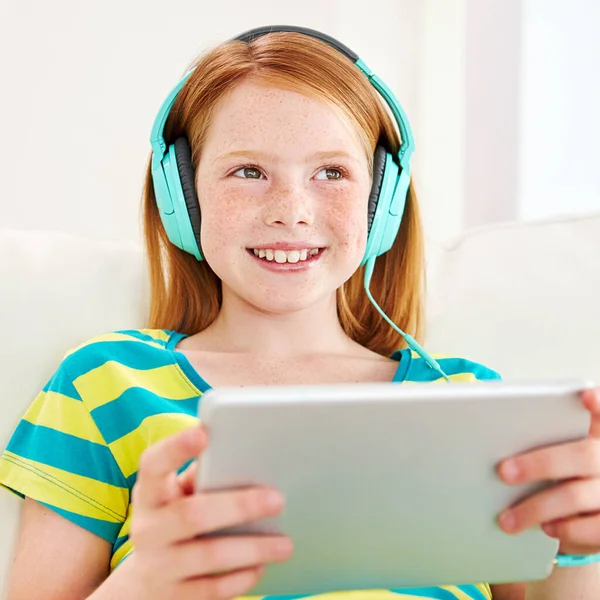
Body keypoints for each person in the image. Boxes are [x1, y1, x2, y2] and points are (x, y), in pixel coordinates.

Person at [1, 25, 599, 600]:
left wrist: (579, 546)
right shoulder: (104, 382)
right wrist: (145, 585)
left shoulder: (470, 400)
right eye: (249, 171)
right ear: (182, 197)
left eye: (332, 173)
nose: (292, 210)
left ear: (381, 202)